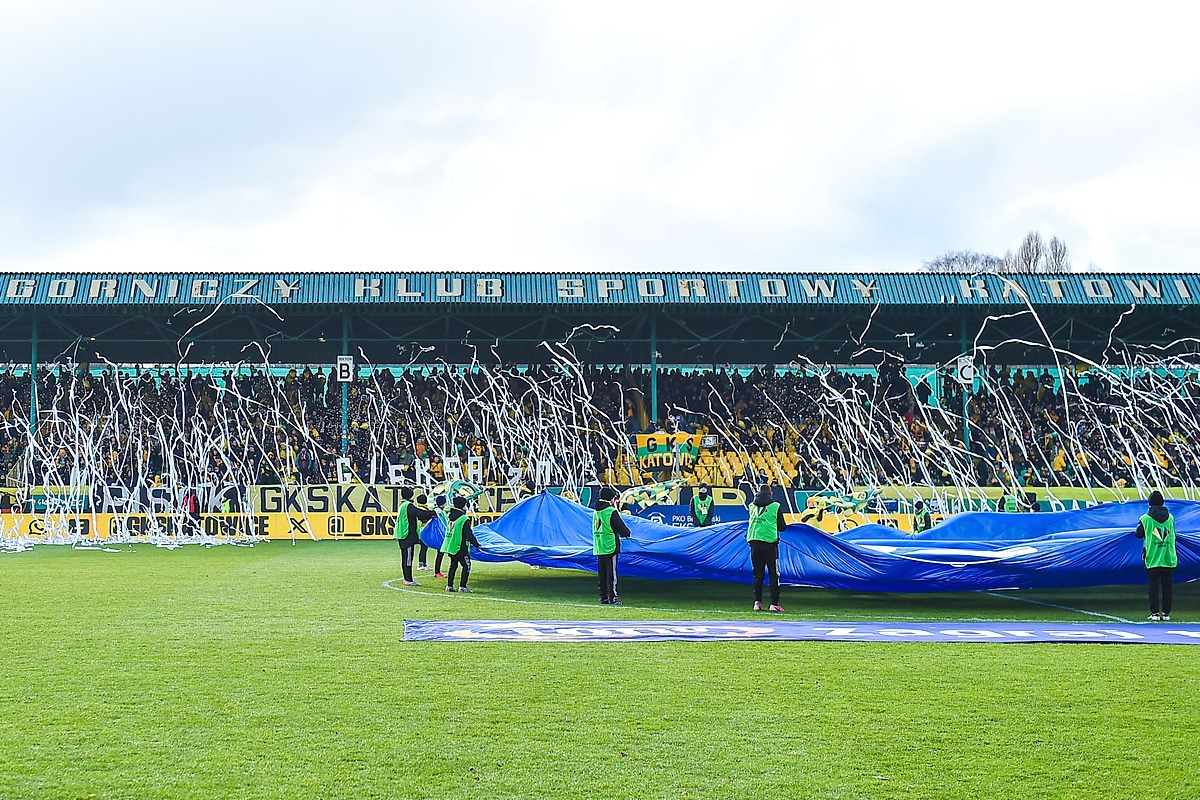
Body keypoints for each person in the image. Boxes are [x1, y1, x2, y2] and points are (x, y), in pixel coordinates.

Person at [1135, 490, 1178, 621]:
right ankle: (1166, 613)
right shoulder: (1170, 517)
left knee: (1153, 587)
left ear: (1150, 503)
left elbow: (1138, 534)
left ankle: (1154, 613)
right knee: (1167, 587)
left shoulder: (1145, 519)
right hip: (1168, 556)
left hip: (1153, 557)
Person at [746, 485, 787, 612]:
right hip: (769, 543)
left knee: (758, 575)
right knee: (774, 574)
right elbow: (782, 527)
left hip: (754, 542)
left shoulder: (752, 506)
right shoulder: (776, 506)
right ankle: (774, 604)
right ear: (771, 494)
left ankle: (757, 602)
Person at [593, 486, 631, 604]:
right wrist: (626, 533)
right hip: (610, 546)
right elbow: (621, 528)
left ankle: (603, 596)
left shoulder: (596, 511)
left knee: (602, 574)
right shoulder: (610, 511)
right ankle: (613, 597)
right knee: (611, 575)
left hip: (600, 545)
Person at [394, 487, 436, 587]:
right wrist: (433, 513)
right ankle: (408, 579)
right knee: (408, 558)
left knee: (406, 558)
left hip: (403, 535)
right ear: (410, 495)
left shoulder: (402, 505)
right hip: (406, 535)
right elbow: (420, 513)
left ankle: (407, 578)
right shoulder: (408, 506)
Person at [441, 496, 480, 593]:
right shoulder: (464, 518)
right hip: (460, 546)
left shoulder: (451, 516)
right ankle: (463, 586)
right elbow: (468, 534)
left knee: (453, 566)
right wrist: (477, 544)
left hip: (451, 546)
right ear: (463, 506)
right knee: (467, 565)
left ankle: (449, 586)